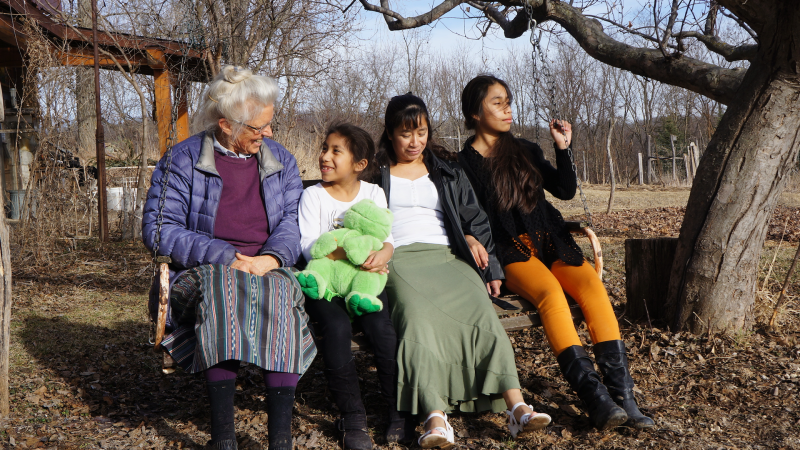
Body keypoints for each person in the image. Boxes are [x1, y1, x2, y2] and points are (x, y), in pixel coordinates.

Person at [457, 74, 655, 430]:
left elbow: (564, 190)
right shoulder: (463, 165)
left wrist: (563, 148)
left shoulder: (526, 150)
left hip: (551, 240)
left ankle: (624, 397)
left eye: (508, 102)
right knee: (550, 294)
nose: (507, 109)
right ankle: (595, 399)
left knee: (593, 287)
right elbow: (466, 218)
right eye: (497, 102)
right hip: (509, 250)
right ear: (475, 112)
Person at [142, 65, 316, 450]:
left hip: (266, 268)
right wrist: (223, 255)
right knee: (225, 286)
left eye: (270, 124)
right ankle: (224, 438)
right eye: (258, 128)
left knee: (278, 291)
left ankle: (281, 439)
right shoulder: (182, 160)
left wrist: (271, 258)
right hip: (201, 274)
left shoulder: (281, 161)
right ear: (226, 125)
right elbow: (157, 229)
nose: (268, 134)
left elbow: (291, 221)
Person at [375, 93, 551, 449]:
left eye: (421, 132)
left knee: (483, 316)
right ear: (391, 134)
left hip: (449, 257)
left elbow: (476, 219)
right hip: (401, 259)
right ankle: (435, 418)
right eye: (406, 133)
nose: (415, 141)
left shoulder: (446, 168)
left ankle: (517, 408)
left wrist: (480, 251)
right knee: (417, 320)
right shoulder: (374, 174)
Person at [298, 123, 403, 449]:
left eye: (335, 151)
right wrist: (357, 253)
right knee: (337, 327)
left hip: (364, 283)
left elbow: (387, 238)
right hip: (326, 286)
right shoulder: (312, 195)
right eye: (324, 148)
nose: (324, 156)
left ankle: (396, 409)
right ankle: (352, 415)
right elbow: (310, 248)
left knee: (381, 328)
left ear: (359, 164)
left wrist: (384, 253)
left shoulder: (374, 193)